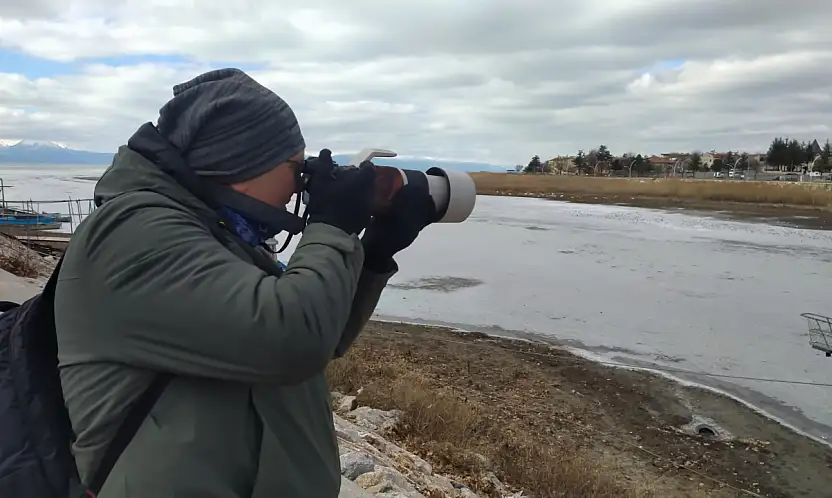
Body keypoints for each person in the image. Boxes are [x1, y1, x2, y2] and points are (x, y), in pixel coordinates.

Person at [54, 68, 436, 497]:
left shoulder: (217, 233)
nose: (301, 185)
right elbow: (291, 339)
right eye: (296, 166)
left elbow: (319, 335)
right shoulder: (132, 233)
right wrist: (332, 226)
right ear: (239, 163)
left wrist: (373, 254)